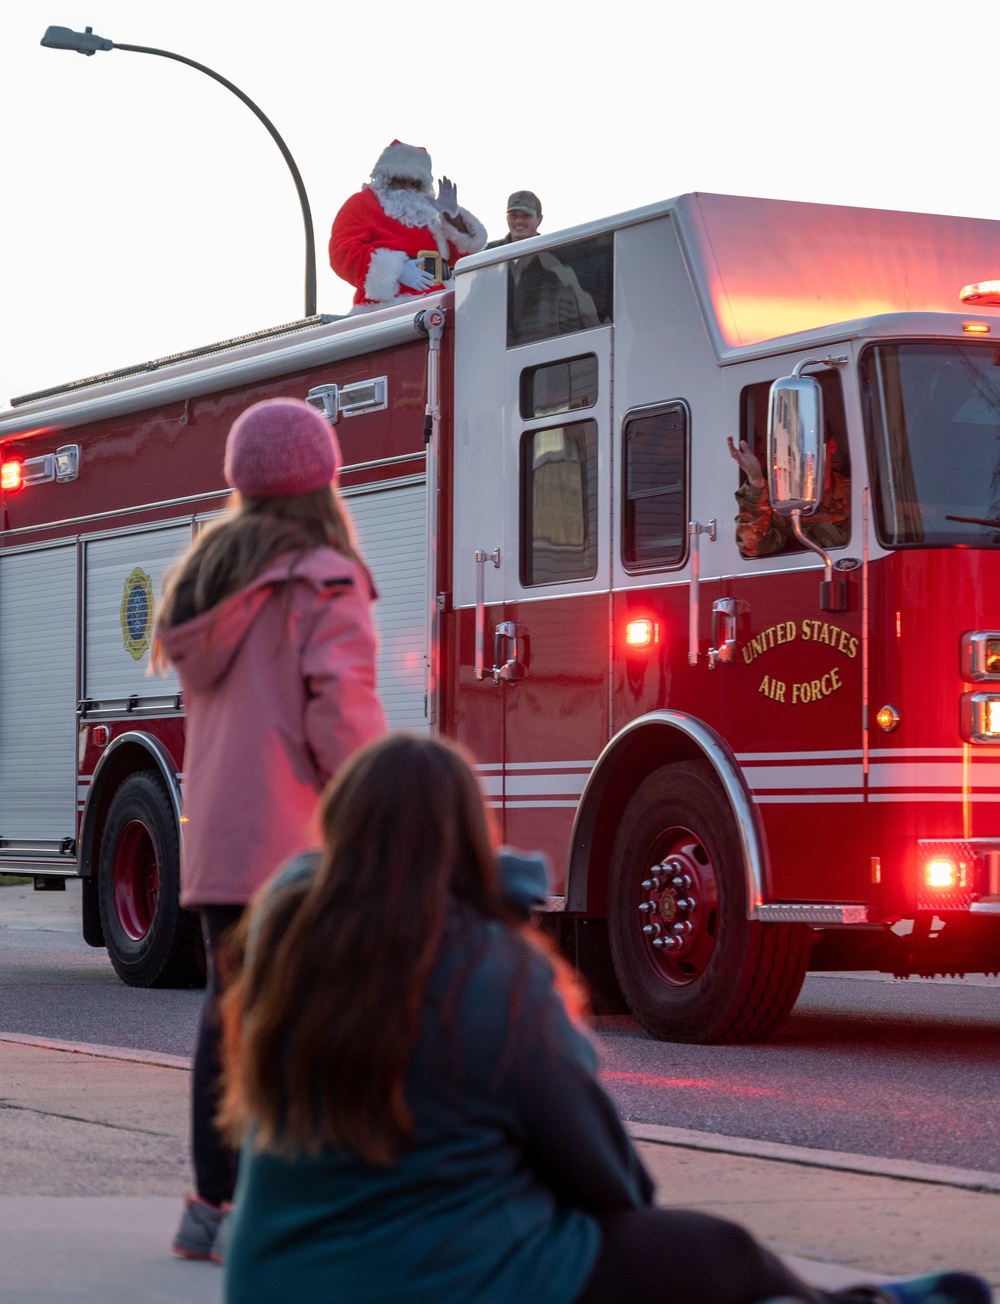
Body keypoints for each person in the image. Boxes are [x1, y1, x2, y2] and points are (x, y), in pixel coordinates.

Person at [216, 733, 988, 1304]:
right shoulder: (492, 969)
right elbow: (609, 1179)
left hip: (270, 1281)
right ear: (468, 836)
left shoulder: (283, 956)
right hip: (449, 1285)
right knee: (718, 1252)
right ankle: (871, 1303)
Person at [152, 397, 387, 1263]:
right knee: (311, 1025)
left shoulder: (210, 581)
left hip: (219, 844)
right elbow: (343, 716)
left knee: (231, 1020)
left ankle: (212, 1207)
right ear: (324, 478)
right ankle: (302, 1209)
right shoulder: (321, 577)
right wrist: (379, 806)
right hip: (298, 845)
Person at [329, 140, 487, 312]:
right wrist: (397, 269)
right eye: (401, 181)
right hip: (389, 308)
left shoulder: (428, 209)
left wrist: (453, 216)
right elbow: (342, 253)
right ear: (386, 178)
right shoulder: (362, 203)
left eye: (414, 184)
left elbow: (460, 255)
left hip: (441, 301)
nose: (407, 188)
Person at [728, 434, 851, 559]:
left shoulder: (856, 493)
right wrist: (756, 481)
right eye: (794, 450)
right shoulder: (783, 502)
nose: (804, 456)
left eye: (811, 446)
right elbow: (754, 547)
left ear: (831, 445)